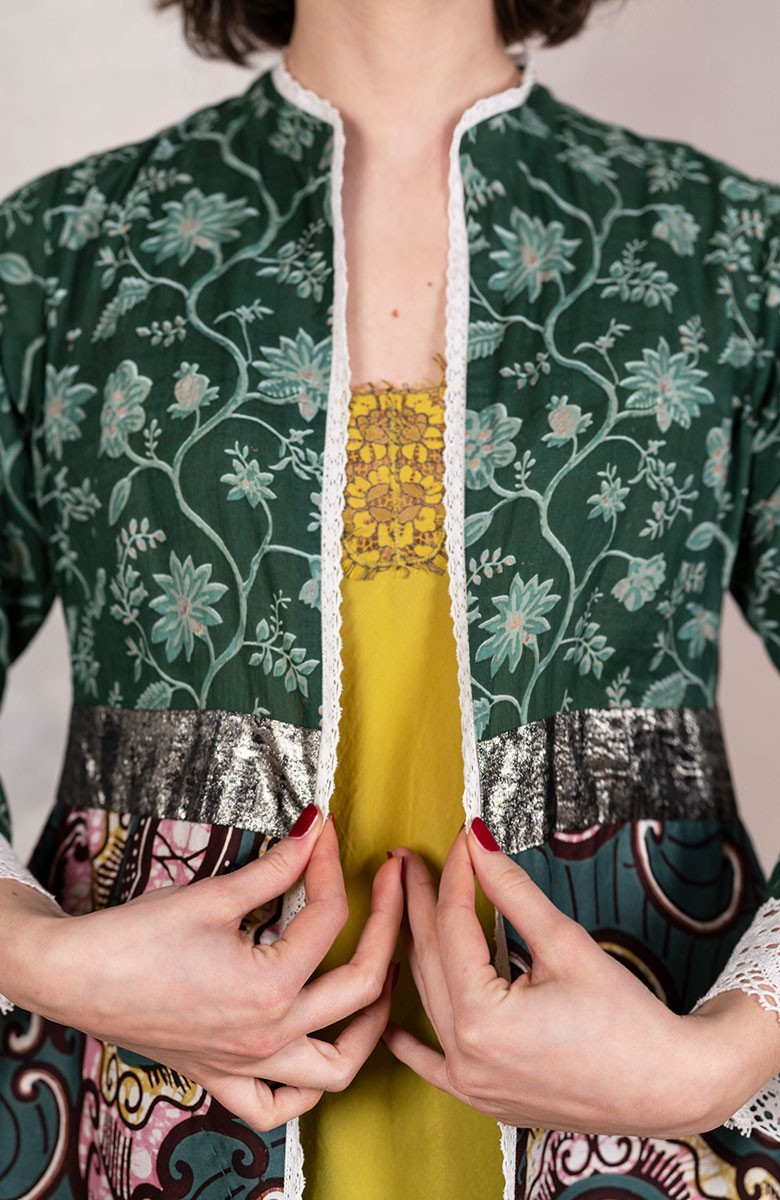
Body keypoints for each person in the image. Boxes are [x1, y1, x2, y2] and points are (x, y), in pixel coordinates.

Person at [0, 0, 779, 1197]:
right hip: (158, 1122)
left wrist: (719, 1060)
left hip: (642, 1131)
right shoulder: (63, 255)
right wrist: (37, 956)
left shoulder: (726, 258)